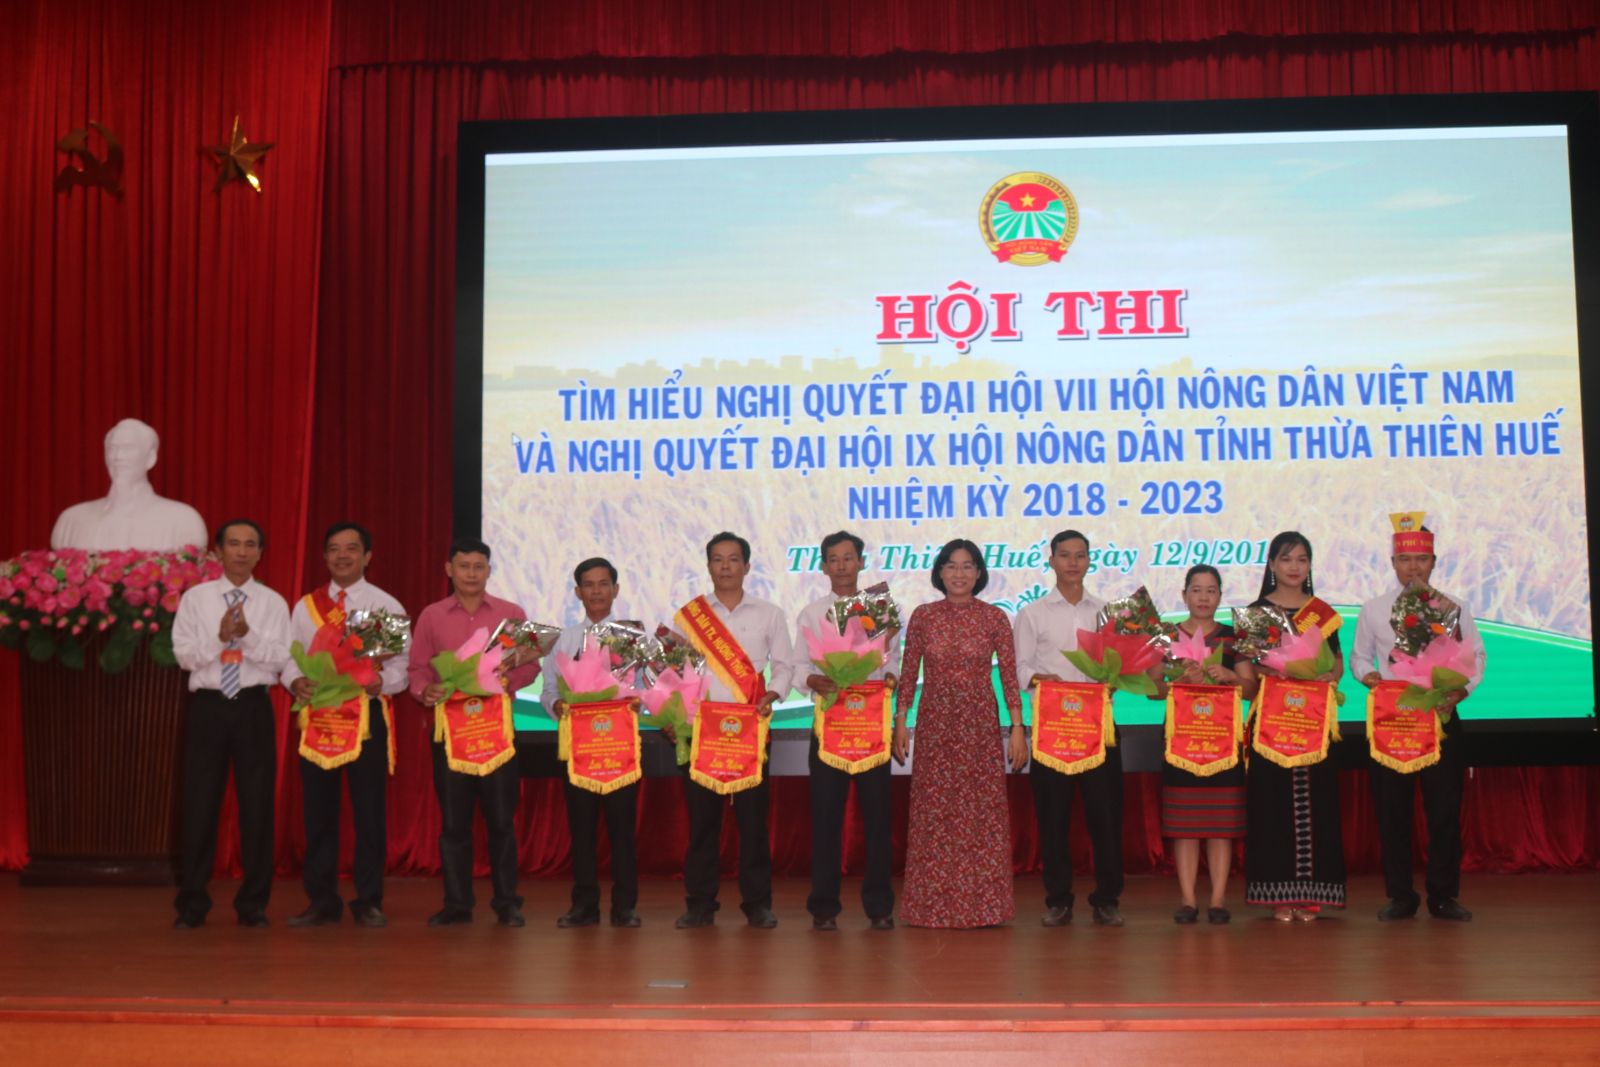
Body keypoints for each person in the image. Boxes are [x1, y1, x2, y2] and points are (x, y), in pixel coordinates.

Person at [1351, 517, 1485, 922]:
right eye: (1405, 559)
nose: (1413, 567)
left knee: (1444, 811)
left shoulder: (1453, 608)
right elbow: (1359, 657)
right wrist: (1368, 676)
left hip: (1440, 717)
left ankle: (1443, 896)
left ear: (1434, 562)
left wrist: (1461, 691)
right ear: (1393, 562)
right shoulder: (1374, 609)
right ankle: (1401, 896)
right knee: (1393, 811)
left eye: (1421, 559)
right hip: (1393, 720)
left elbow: (1475, 656)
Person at [280, 522, 409, 928]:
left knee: (369, 812)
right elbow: (289, 657)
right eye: (334, 549)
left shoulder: (385, 604)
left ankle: (369, 900)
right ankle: (321, 900)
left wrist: (382, 683)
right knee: (319, 812)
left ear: (367, 556)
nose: (342, 556)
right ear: (324, 556)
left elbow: (401, 667)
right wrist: (294, 681)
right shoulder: (306, 606)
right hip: (321, 716)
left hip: (365, 716)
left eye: (351, 549)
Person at [407, 537, 540, 927]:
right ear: (449, 570)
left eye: (478, 567)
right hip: (451, 735)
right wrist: (425, 690)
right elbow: (417, 669)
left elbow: (530, 665)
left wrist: (509, 679)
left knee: (501, 821)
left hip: (496, 733)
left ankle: (507, 903)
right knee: (454, 824)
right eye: (463, 566)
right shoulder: (432, 616)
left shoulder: (510, 613)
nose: (471, 574)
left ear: (489, 571)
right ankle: (457, 904)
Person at [895, 538, 1025, 928]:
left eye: (968, 566)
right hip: (935, 725)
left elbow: (1009, 677)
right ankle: (930, 906)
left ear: (979, 573)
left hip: (979, 725)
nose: (959, 573)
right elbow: (908, 673)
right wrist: (900, 720)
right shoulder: (924, 616)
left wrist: (1018, 728)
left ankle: (983, 906)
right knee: (934, 813)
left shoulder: (994, 618)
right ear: (940, 571)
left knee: (980, 813)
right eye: (951, 565)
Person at [170, 519, 291, 928]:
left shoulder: (273, 603)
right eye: (234, 544)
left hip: (253, 706)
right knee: (199, 805)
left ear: (260, 553)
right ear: (219, 552)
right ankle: (191, 903)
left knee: (257, 806)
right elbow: (184, 656)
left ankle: (253, 904)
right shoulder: (196, 599)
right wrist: (220, 638)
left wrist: (247, 636)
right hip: (209, 707)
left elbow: (279, 659)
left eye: (250, 544)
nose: (242, 551)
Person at [673, 532, 794, 929]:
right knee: (703, 823)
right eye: (718, 559)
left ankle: (757, 904)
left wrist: (773, 694)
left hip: (749, 733)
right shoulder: (690, 616)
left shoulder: (770, 613)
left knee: (753, 824)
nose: (725, 566)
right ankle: (699, 904)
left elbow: (785, 665)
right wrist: (676, 715)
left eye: (733, 559)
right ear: (709, 566)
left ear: (747, 565)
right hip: (704, 733)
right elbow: (676, 674)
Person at [1012, 529, 1124, 927]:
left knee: (1106, 818)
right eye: (1064, 555)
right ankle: (1058, 900)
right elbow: (1018, 667)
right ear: (1051, 561)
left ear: (1089, 561)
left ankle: (1107, 899)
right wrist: (1040, 678)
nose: (1073, 562)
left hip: (1099, 727)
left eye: (1080, 555)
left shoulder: (1108, 612)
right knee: (1053, 819)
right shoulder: (1033, 613)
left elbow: (1121, 663)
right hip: (1053, 729)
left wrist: (1116, 677)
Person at [790, 531, 900, 932]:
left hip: (870, 725)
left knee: (877, 820)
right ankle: (824, 908)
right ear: (823, 566)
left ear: (861, 563)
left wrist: (890, 679)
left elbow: (893, 661)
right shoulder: (811, 613)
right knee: (826, 819)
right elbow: (799, 667)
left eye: (848, 558)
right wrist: (814, 681)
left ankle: (879, 907)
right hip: (830, 727)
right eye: (833, 559)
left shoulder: (879, 608)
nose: (841, 566)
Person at [1243, 531, 1347, 922]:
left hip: (1314, 721)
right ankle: (1279, 895)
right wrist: (1268, 671)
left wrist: (1329, 676)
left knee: (1316, 804)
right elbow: (1249, 666)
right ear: (1272, 564)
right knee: (1272, 806)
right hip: (1272, 720)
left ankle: (1311, 895)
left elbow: (1336, 661)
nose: (1294, 567)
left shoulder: (1320, 612)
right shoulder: (1257, 612)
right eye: (1286, 559)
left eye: (1302, 559)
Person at [1153, 565, 1257, 925]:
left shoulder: (1233, 637)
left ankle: (1217, 900)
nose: (1203, 597)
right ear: (1184, 595)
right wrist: (1178, 678)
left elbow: (1252, 689)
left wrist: (1230, 677)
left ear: (1220, 597)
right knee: (1185, 824)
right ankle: (1187, 900)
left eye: (1211, 591)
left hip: (1222, 743)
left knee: (1220, 824)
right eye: (1196, 590)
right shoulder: (1168, 636)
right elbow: (1152, 690)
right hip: (1181, 741)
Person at [541, 557, 642, 929]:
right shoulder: (564, 639)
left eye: (603, 584)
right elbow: (549, 690)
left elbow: (648, 687)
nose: (596, 591)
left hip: (620, 749)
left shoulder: (633, 638)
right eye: (589, 584)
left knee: (622, 831)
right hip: (580, 749)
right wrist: (557, 706)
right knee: (581, 831)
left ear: (616, 590)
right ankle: (584, 906)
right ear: (578, 592)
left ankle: (624, 907)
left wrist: (638, 701)